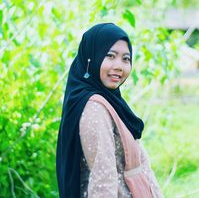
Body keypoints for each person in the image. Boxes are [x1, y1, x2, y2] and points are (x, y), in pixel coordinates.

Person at [56, 23, 163, 198]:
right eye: (110, 56)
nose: (119, 66)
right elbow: (103, 180)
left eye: (126, 59)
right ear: (91, 58)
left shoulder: (111, 101)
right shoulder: (94, 108)